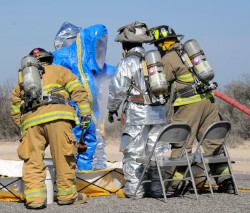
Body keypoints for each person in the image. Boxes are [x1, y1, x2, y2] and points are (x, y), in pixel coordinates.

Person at [150, 25, 234, 193]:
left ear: (161, 44)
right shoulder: (190, 52)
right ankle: (227, 182)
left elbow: (162, 84)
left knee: (181, 142)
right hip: (208, 102)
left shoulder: (168, 58)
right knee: (213, 143)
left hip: (189, 104)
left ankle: (176, 184)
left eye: (157, 45)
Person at [11, 48, 91, 209]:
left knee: (32, 161)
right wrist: (85, 115)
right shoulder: (60, 70)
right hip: (58, 119)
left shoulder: (23, 80)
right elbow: (79, 91)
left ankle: (35, 201)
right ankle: (67, 196)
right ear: (49, 59)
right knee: (63, 157)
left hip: (31, 123)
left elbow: (15, 110)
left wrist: (24, 128)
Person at [107, 21, 168, 198]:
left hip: (137, 113)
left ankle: (134, 191)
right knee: (156, 153)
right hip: (158, 113)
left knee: (133, 153)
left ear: (125, 44)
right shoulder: (155, 61)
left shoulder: (127, 62)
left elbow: (117, 89)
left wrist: (112, 109)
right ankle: (157, 190)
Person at [53, 23, 116, 170]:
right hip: (73, 107)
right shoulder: (65, 56)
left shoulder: (86, 60)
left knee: (87, 142)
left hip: (88, 109)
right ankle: (69, 176)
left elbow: (109, 71)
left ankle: (83, 173)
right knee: (74, 142)